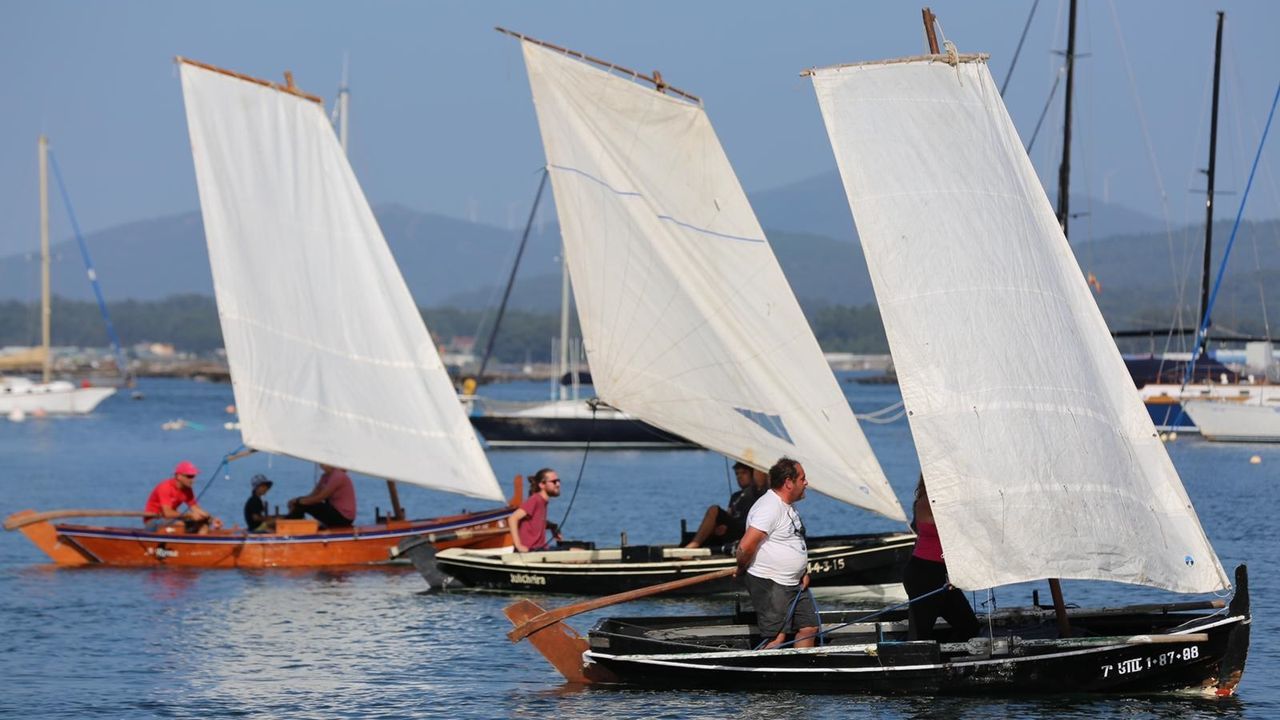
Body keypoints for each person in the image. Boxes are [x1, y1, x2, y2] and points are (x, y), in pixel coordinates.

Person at [736, 457, 818, 650]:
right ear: (788, 483)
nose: (806, 483)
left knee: (809, 627)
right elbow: (745, 546)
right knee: (776, 638)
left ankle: (803, 669)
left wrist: (802, 572)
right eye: (802, 479)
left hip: (793, 582)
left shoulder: (787, 506)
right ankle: (764, 675)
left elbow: (790, 541)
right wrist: (741, 567)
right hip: (770, 582)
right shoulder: (769, 507)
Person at [903, 475, 980, 641]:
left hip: (940, 574)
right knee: (919, 635)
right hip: (924, 574)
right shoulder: (933, 502)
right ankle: (917, 663)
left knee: (969, 627)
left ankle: (945, 660)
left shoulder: (926, 501)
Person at [685, 461, 765, 548]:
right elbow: (729, 514)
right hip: (731, 530)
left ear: (752, 475)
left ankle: (694, 545)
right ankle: (692, 544)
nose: (739, 476)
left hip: (745, 530)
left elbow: (760, 474)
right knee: (712, 524)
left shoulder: (756, 491)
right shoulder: (735, 496)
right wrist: (720, 526)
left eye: (744, 473)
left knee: (714, 510)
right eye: (737, 474)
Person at [143, 460, 221, 533]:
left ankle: (199, 545)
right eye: (189, 476)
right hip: (153, 521)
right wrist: (190, 515)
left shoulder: (187, 490)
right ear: (178, 476)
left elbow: (196, 509)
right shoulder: (165, 487)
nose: (193, 480)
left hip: (169, 519)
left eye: (193, 476)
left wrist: (212, 519)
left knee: (203, 524)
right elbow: (168, 513)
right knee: (183, 525)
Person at [286, 464, 356, 528]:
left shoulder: (338, 476)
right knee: (301, 503)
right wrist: (295, 501)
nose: (321, 465)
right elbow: (312, 495)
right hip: (334, 512)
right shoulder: (324, 476)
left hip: (344, 517)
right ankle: (292, 524)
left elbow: (320, 498)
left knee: (304, 504)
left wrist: (299, 501)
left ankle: (289, 526)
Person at [509, 468, 562, 553]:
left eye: (558, 481)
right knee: (576, 553)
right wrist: (518, 545)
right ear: (542, 485)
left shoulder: (543, 501)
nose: (558, 484)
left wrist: (552, 526)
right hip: (530, 551)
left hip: (540, 549)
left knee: (581, 548)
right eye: (554, 482)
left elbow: (535, 521)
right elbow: (513, 518)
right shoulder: (535, 500)